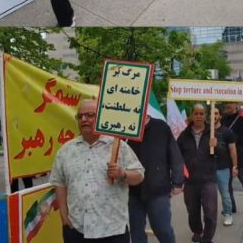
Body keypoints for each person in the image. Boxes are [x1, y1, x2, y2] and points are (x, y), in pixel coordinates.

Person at [49, 99, 145, 243]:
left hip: (112, 230)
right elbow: (60, 183)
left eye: (89, 115)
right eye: (80, 116)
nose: (84, 119)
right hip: (76, 229)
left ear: (100, 118)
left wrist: (122, 173)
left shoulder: (118, 146)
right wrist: (64, 216)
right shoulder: (66, 150)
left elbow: (139, 176)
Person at [128, 115, 184, 243]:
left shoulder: (161, 127)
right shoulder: (124, 127)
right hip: (132, 191)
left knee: (162, 230)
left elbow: (175, 155)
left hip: (158, 190)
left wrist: (177, 181)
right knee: (136, 233)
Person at [177, 104, 218, 243]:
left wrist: (216, 146)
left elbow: (223, 154)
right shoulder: (184, 135)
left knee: (210, 213)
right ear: (192, 115)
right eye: (196, 113)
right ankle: (197, 231)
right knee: (192, 212)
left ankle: (207, 238)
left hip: (209, 180)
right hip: (190, 182)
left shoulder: (212, 133)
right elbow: (177, 157)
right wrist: (178, 178)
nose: (199, 116)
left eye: (201, 114)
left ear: (205, 116)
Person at [211, 107, 238, 226]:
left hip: (222, 168)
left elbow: (232, 150)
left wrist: (235, 166)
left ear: (220, 116)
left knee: (225, 194)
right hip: (208, 168)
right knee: (208, 195)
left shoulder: (227, 132)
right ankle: (210, 216)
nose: (214, 116)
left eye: (216, 113)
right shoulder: (206, 131)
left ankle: (228, 214)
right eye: (211, 113)